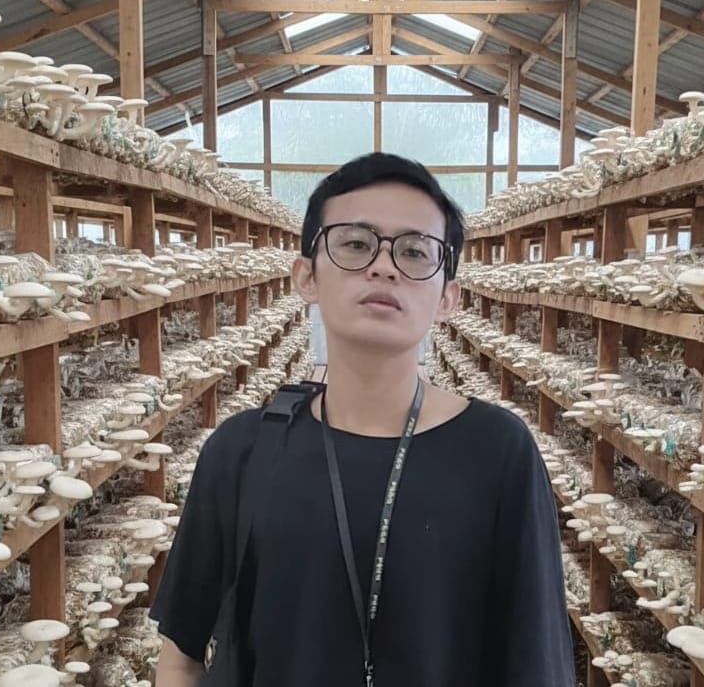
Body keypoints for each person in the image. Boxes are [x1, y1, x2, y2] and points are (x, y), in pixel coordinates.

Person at [152, 152, 575, 687]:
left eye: (415, 251)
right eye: (355, 244)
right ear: (306, 276)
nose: (384, 266)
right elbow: (180, 659)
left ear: (447, 297)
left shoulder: (498, 453)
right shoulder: (240, 451)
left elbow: (538, 666)